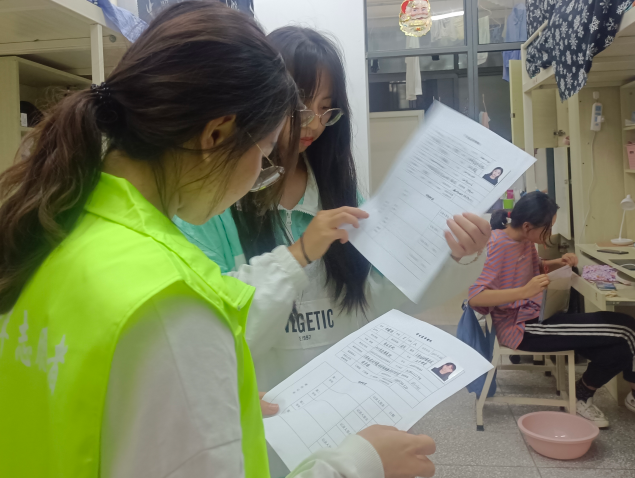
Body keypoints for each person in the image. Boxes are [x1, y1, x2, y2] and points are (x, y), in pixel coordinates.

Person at [0, 3, 437, 478]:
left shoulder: (50, 230)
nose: (262, 174)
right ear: (216, 135)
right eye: (265, 153)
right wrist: (358, 463)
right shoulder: (173, 302)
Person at [175, 26, 491, 396]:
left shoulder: (339, 193)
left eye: (326, 108)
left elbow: (380, 294)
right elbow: (205, 329)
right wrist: (298, 254)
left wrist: (456, 254)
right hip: (259, 407)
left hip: (341, 400)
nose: (314, 122)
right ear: (260, 96)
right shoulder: (212, 204)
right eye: (300, 104)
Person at [468, 191, 635, 428]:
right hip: (521, 328)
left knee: (621, 339)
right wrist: (524, 291)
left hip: (538, 313)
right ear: (527, 226)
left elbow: (531, 267)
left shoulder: (525, 241)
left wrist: (557, 262)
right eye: (548, 228)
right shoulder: (496, 246)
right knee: (627, 330)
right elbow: (475, 297)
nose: (550, 234)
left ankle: (583, 392)